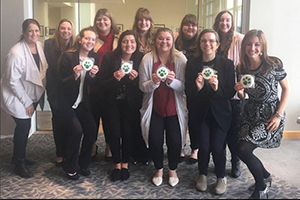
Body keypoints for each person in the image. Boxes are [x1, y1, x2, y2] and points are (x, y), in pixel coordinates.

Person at [234, 29, 289, 199]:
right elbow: (244, 95)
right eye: (249, 44)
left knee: (243, 149)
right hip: (250, 113)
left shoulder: (273, 64)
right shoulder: (241, 67)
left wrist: (278, 115)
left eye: (257, 44)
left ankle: (261, 186)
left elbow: (286, 89)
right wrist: (240, 92)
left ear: (262, 46)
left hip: (270, 115)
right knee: (238, 148)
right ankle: (264, 175)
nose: (252, 48)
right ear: (244, 47)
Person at [185, 29, 235, 194]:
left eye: (211, 41)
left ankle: (221, 177)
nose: (207, 44)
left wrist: (216, 88)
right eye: (204, 41)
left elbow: (230, 92)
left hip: (221, 113)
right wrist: (198, 88)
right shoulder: (192, 63)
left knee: (218, 147)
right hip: (201, 114)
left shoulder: (227, 64)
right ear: (199, 44)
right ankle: (203, 175)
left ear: (217, 44)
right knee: (204, 146)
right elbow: (188, 92)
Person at [139, 28, 188, 187]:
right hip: (155, 108)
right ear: (155, 40)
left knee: (175, 141)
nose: (164, 42)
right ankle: (159, 169)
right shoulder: (147, 59)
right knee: (155, 140)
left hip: (174, 108)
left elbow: (184, 87)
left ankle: (173, 169)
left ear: (172, 41)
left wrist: (171, 82)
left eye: (168, 39)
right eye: (161, 38)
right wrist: (153, 82)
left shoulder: (180, 59)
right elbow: (142, 87)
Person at [0, 19, 47, 178]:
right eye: (30, 31)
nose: (34, 34)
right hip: (15, 95)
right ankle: (19, 163)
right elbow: (12, 81)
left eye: (36, 30)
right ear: (24, 32)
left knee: (23, 127)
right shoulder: (16, 52)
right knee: (23, 127)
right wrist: (27, 102)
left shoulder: (39, 46)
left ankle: (17, 157)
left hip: (29, 93)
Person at [98, 30, 143, 181]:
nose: (128, 45)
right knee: (114, 133)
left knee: (128, 133)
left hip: (131, 104)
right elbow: (101, 84)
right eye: (125, 41)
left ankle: (125, 164)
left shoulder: (141, 59)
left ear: (136, 44)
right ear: (120, 43)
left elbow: (144, 85)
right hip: (112, 103)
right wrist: (114, 79)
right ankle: (116, 164)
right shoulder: (109, 58)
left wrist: (135, 80)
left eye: (132, 42)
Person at [58, 26, 99, 180]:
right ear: (80, 39)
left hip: (82, 103)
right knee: (76, 131)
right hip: (66, 103)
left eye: (93, 39)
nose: (90, 41)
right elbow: (60, 84)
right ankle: (70, 165)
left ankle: (83, 163)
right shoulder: (68, 57)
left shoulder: (93, 57)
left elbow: (90, 83)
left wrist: (93, 76)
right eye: (87, 38)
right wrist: (74, 75)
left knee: (91, 130)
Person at [213, 10, 244, 178]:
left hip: (235, 94)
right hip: (219, 93)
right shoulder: (214, 40)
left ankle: (235, 161)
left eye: (227, 20)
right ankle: (220, 162)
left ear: (232, 23)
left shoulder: (239, 39)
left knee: (234, 132)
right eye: (221, 20)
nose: (224, 23)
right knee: (220, 130)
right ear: (217, 22)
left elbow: (245, 63)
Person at [90, 8, 121, 162]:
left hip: (111, 84)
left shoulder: (118, 38)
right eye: (99, 19)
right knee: (93, 117)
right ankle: (92, 144)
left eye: (105, 19)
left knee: (110, 119)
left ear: (111, 21)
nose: (102, 22)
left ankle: (109, 145)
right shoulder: (90, 37)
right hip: (93, 84)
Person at [44, 19, 74, 167]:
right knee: (57, 121)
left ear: (72, 31)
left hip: (69, 89)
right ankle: (59, 153)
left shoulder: (75, 46)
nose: (66, 31)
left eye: (69, 28)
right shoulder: (49, 45)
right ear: (58, 30)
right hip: (55, 89)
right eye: (63, 28)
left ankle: (68, 152)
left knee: (69, 122)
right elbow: (55, 67)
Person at [130, 7, 155, 165]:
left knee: (150, 119)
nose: (143, 22)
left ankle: (148, 152)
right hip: (133, 83)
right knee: (135, 118)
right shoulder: (131, 38)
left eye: (146, 19)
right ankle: (135, 152)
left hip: (151, 83)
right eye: (140, 19)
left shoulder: (155, 39)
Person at [175, 13, 199, 164]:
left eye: (193, 25)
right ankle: (180, 147)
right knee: (179, 118)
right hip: (177, 85)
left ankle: (195, 149)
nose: (190, 28)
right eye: (187, 24)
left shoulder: (200, 43)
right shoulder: (176, 42)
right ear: (182, 26)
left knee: (195, 119)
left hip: (196, 86)